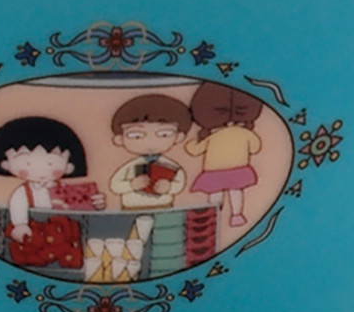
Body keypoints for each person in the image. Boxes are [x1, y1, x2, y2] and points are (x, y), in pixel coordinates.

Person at [0, 116, 104, 245]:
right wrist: (20, 224)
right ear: (6, 165)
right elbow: (17, 205)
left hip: (65, 233)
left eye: (50, 163)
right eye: (28, 163)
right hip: (36, 233)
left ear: (68, 167)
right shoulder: (23, 192)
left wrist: (96, 204)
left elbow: (79, 206)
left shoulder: (66, 189)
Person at [185, 83, 264, 228]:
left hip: (214, 172)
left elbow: (195, 150)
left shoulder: (213, 136)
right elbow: (255, 147)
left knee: (215, 193)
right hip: (238, 170)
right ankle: (236, 215)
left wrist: (191, 143)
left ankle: (214, 216)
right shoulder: (245, 134)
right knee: (236, 192)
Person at [107, 93, 192, 210]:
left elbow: (180, 183)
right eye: (136, 135)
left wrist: (169, 187)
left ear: (179, 137)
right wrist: (131, 185)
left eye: (164, 134)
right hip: (130, 209)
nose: (150, 142)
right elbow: (115, 186)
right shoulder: (129, 166)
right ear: (120, 139)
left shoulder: (172, 166)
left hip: (164, 207)